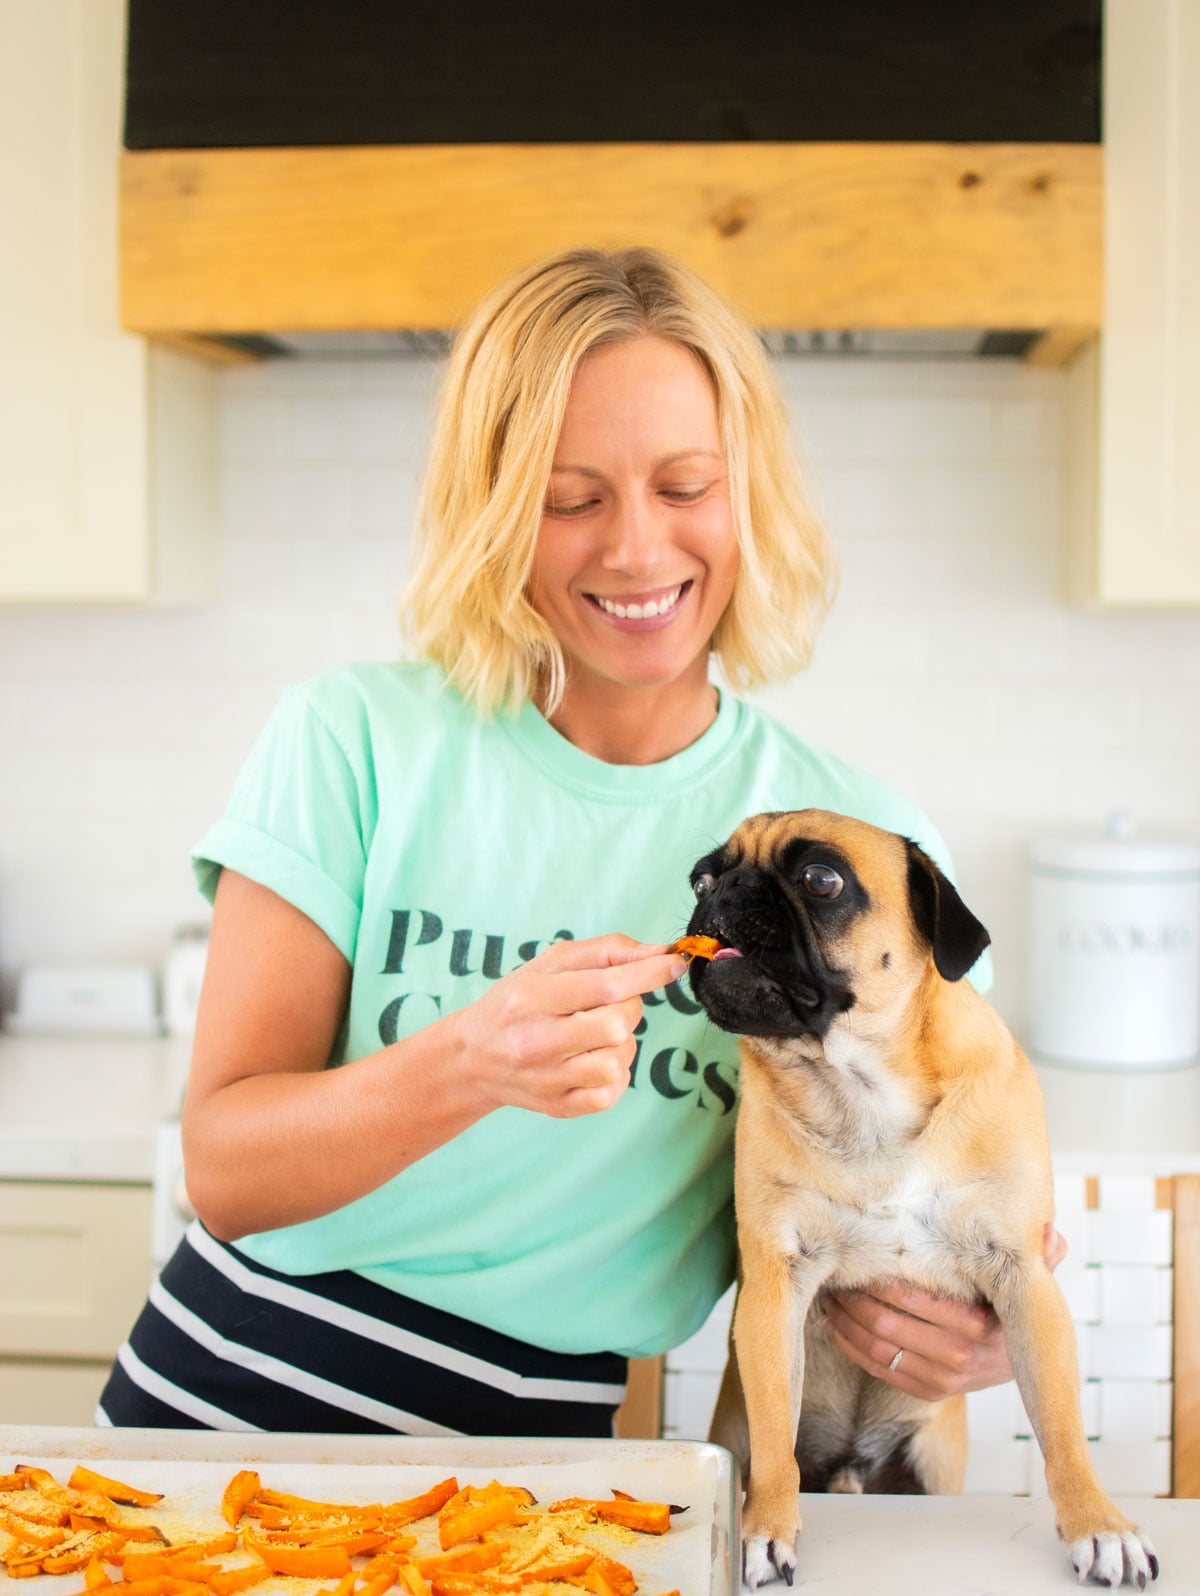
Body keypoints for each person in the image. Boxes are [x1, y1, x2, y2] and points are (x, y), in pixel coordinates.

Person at [98, 246, 1061, 1440]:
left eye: (687, 485)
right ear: (498, 511)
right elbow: (226, 1171)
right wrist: (468, 1063)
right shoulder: (353, 740)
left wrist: (961, 1330)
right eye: (570, 498)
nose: (637, 550)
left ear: (749, 490)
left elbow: (978, 1188)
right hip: (227, 1396)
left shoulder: (860, 858)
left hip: (547, 1455)